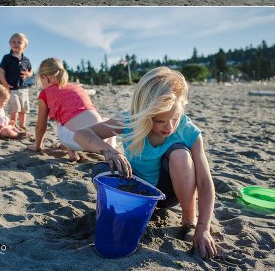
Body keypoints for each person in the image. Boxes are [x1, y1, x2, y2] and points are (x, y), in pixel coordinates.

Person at [73, 67, 217, 259]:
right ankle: (122, 213)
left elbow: (205, 182)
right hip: (134, 186)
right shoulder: (130, 121)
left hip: (168, 193)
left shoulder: (188, 131)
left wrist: (203, 227)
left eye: (174, 118)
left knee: (180, 154)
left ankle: (189, 220)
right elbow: (81, 134)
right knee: (100, 170)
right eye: (160, 121)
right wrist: (109, 150)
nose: (169, 127)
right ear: (145, 114)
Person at [26, 58, 116, 161]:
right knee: (106, 120)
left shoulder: (45, 93)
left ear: (44, 77)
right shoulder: (76, 87)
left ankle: (71, 150)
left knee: (61, 118)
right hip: (101, 137)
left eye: (41, 80)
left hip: (78, 140)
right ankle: (111, 146)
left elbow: (40, 126)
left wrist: (37, 146)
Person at [0, 33, 33, 131]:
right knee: (15, 108)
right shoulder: (7, 58)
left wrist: (28, 74)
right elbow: (1, 72)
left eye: (19, 42)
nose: (16, 44)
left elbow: (31, 71)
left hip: (24, 88)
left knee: (23, 109)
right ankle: (13, 125)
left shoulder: (26, 59)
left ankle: (22, 125)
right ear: (10, 44)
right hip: (12, 88)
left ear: (24, 47)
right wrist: (5, 84)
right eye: (13, 41)